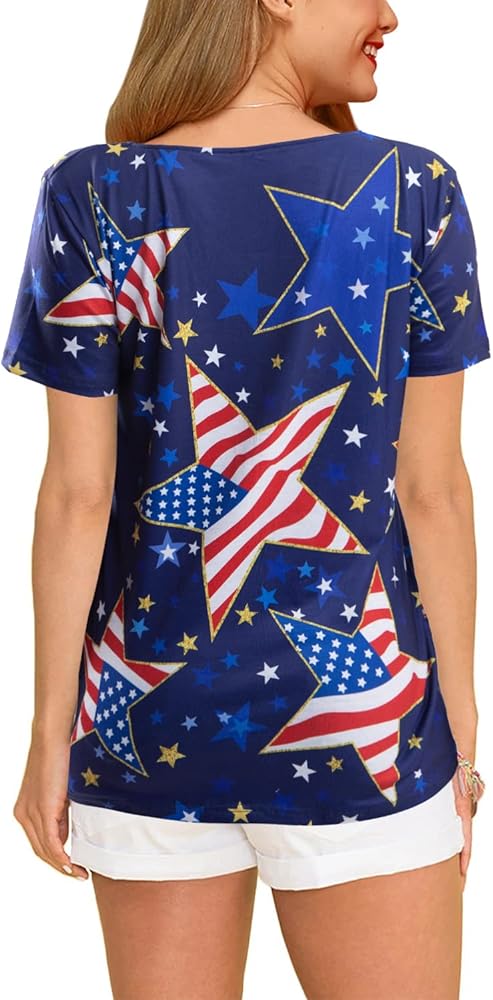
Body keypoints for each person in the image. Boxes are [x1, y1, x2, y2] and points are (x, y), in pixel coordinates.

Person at [3, 0, 488, 997]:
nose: (390, 15)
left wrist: (51, 733)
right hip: (364, 718)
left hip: (140, 718)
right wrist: (458, 719)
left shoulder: (93, 190)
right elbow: (432, 488)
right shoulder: (413, 189)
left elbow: (79, 493)